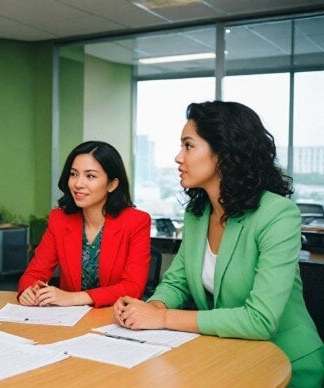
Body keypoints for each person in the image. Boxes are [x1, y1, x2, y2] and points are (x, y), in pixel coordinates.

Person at [113, 101, 324, 387]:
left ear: (224, 153)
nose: (178, 157)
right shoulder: (198, 213)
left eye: (188, 146)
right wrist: (147, 310)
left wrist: (162, 317)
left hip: (286, 364)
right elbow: (177, 282)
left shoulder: (278, 214)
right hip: (228, 357)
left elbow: (260, 319)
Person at [18, 141, 151, 307]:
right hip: (68, 320)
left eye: (90, 176)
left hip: (115, 318)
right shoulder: (59, 219)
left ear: (112, 184)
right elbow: (34, 273)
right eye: (74, 174)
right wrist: (28, 290)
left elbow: (133, 287)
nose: (78, 184)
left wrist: (73, 298)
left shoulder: (136, 221)